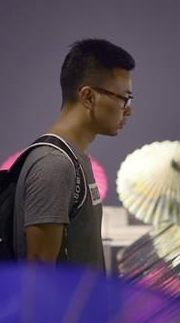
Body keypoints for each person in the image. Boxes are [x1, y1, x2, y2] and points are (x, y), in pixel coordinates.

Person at [13, 38, 134, 268]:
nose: (128, 110)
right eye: (124, 98)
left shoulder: (72, 158)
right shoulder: (54, 164)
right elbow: (39, 273)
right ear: (88, 96)